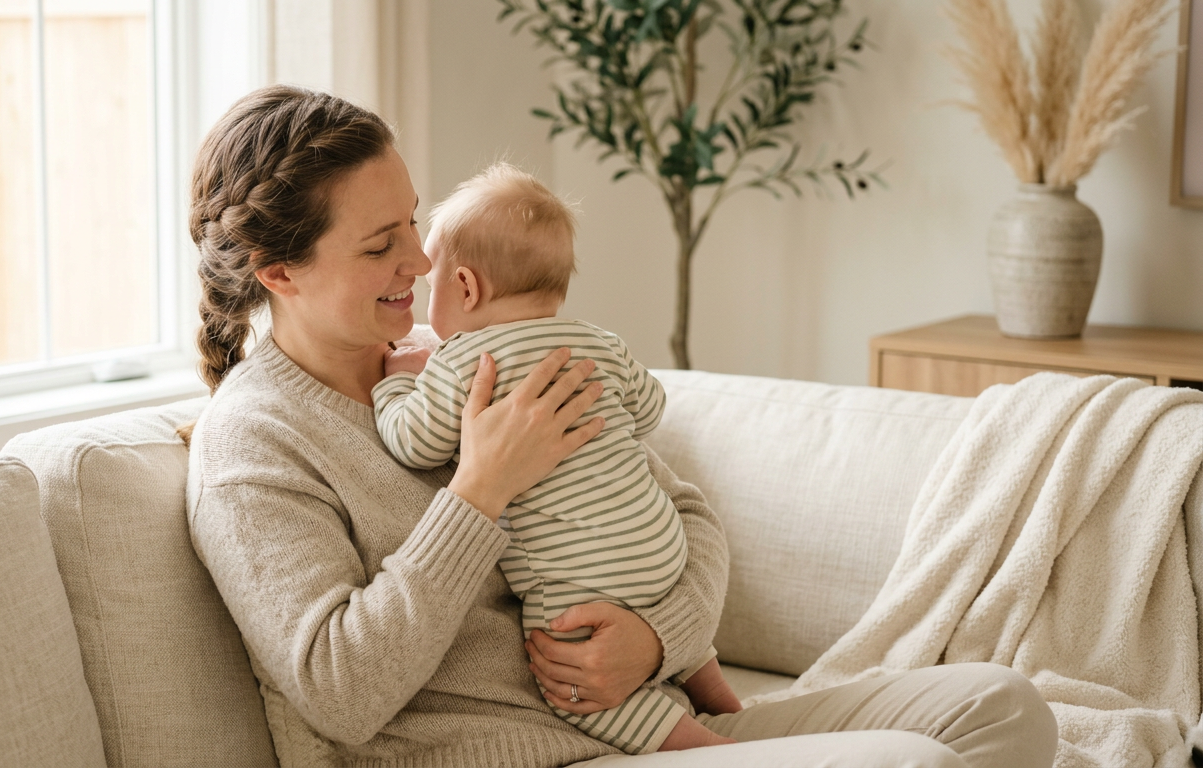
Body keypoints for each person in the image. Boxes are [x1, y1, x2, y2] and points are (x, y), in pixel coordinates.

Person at [183, 84, 1059, 767]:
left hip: (648, 719)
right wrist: (479, 489)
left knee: (1000, 704)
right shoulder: (253, 443)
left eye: (413, 221)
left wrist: (655, 639)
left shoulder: (459, 355)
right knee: (911, 762)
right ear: (279, 273)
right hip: (522, 757)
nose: (420, 261)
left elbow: (686, 515)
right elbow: (339, 690)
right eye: (380, 245)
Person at [372, 162, 741, 754]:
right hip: (662, 548)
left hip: (578, 577)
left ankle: (696, 745)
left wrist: (395, 385)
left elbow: (414, 442)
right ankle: (718, 692)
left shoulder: (463, 363)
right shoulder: (597, 340)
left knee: (568, 677)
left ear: (465, 288)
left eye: (433, 279)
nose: (417, 278)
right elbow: (650, 408)